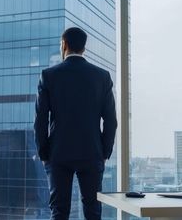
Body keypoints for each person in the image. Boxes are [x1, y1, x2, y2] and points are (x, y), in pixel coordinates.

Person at [34, 27, 117, 220]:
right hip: (92, 151)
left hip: (58, 153)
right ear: (84, 48)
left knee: (59, 211)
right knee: (92, 210)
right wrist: (104, 152)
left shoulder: (48, 75)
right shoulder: (102, 76)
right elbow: (111, 120)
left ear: (64, 44)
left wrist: (44, 153)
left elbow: (40, 119)